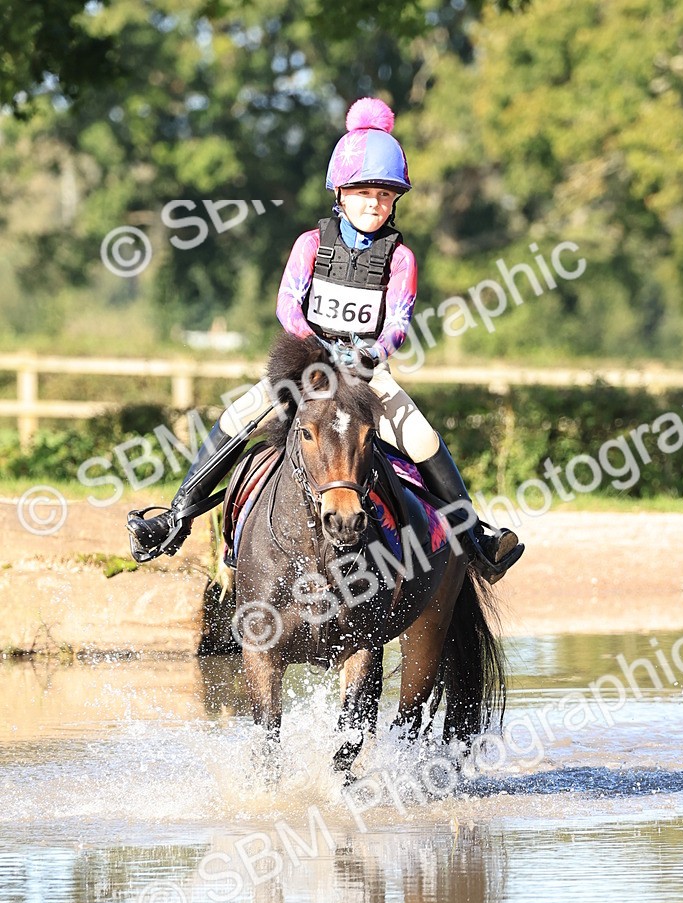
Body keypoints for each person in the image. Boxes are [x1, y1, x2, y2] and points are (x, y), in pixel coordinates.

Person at [127, 97, 523, 582]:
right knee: (238, 415)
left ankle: (475, 539)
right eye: (363, 193)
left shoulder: (400, 259)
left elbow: (398, 322)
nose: (375, 204)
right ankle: (177, 515)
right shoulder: (310, 245)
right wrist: (322, 346)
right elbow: (287, 308)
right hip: (306, 367)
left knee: (419, 435)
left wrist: (369, 353)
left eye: (385, 195)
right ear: (340, 193)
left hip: (365, 372)